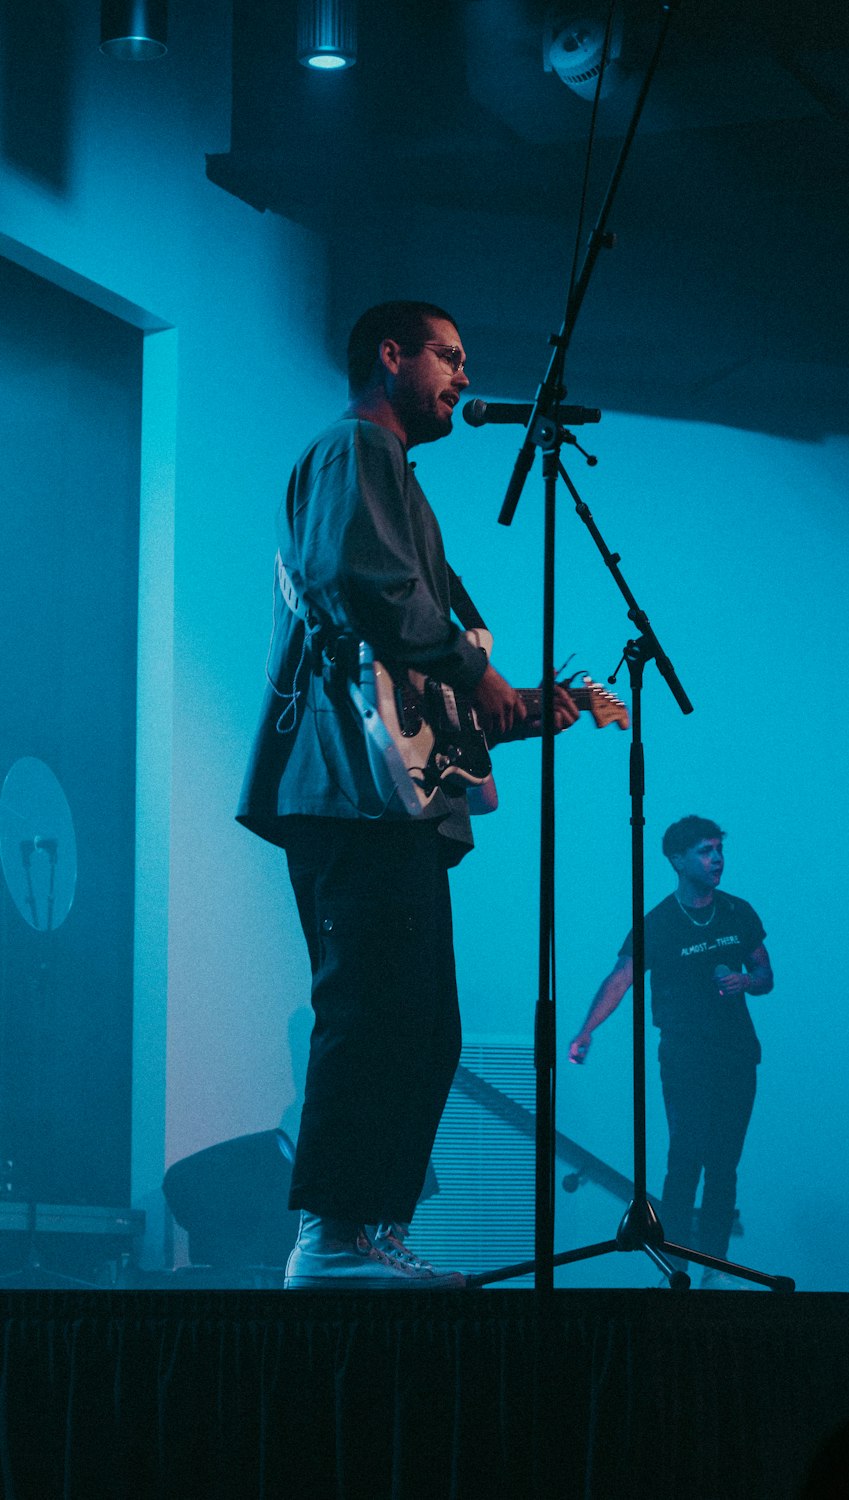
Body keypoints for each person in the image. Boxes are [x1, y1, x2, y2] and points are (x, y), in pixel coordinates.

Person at [238, 300, 578, 1287]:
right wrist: (483, 679)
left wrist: (512, 707)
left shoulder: (394, 478)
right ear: (391, 357)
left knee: (427, 1026)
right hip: (346, 787)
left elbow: (414, 660)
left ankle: (369, 1229)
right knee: (375, 1008)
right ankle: (329, 1240)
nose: (464, 377)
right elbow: (371, 589)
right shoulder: (356, 449)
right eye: (449, 357)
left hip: (386, 795)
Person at [568, 815, 773, 1285]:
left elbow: (766, 975)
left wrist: (746, 980)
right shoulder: (659, 922)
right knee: (685, 1159)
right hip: (684, 1055)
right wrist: (586, 1031)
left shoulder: (739, 912)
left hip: (737, 1053)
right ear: (677, 860)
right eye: (705, 850)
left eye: (719, 849)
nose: (717, 858)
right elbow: (620, 978)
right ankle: (674, 1265)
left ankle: (715, 1270)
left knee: (725, 1164)